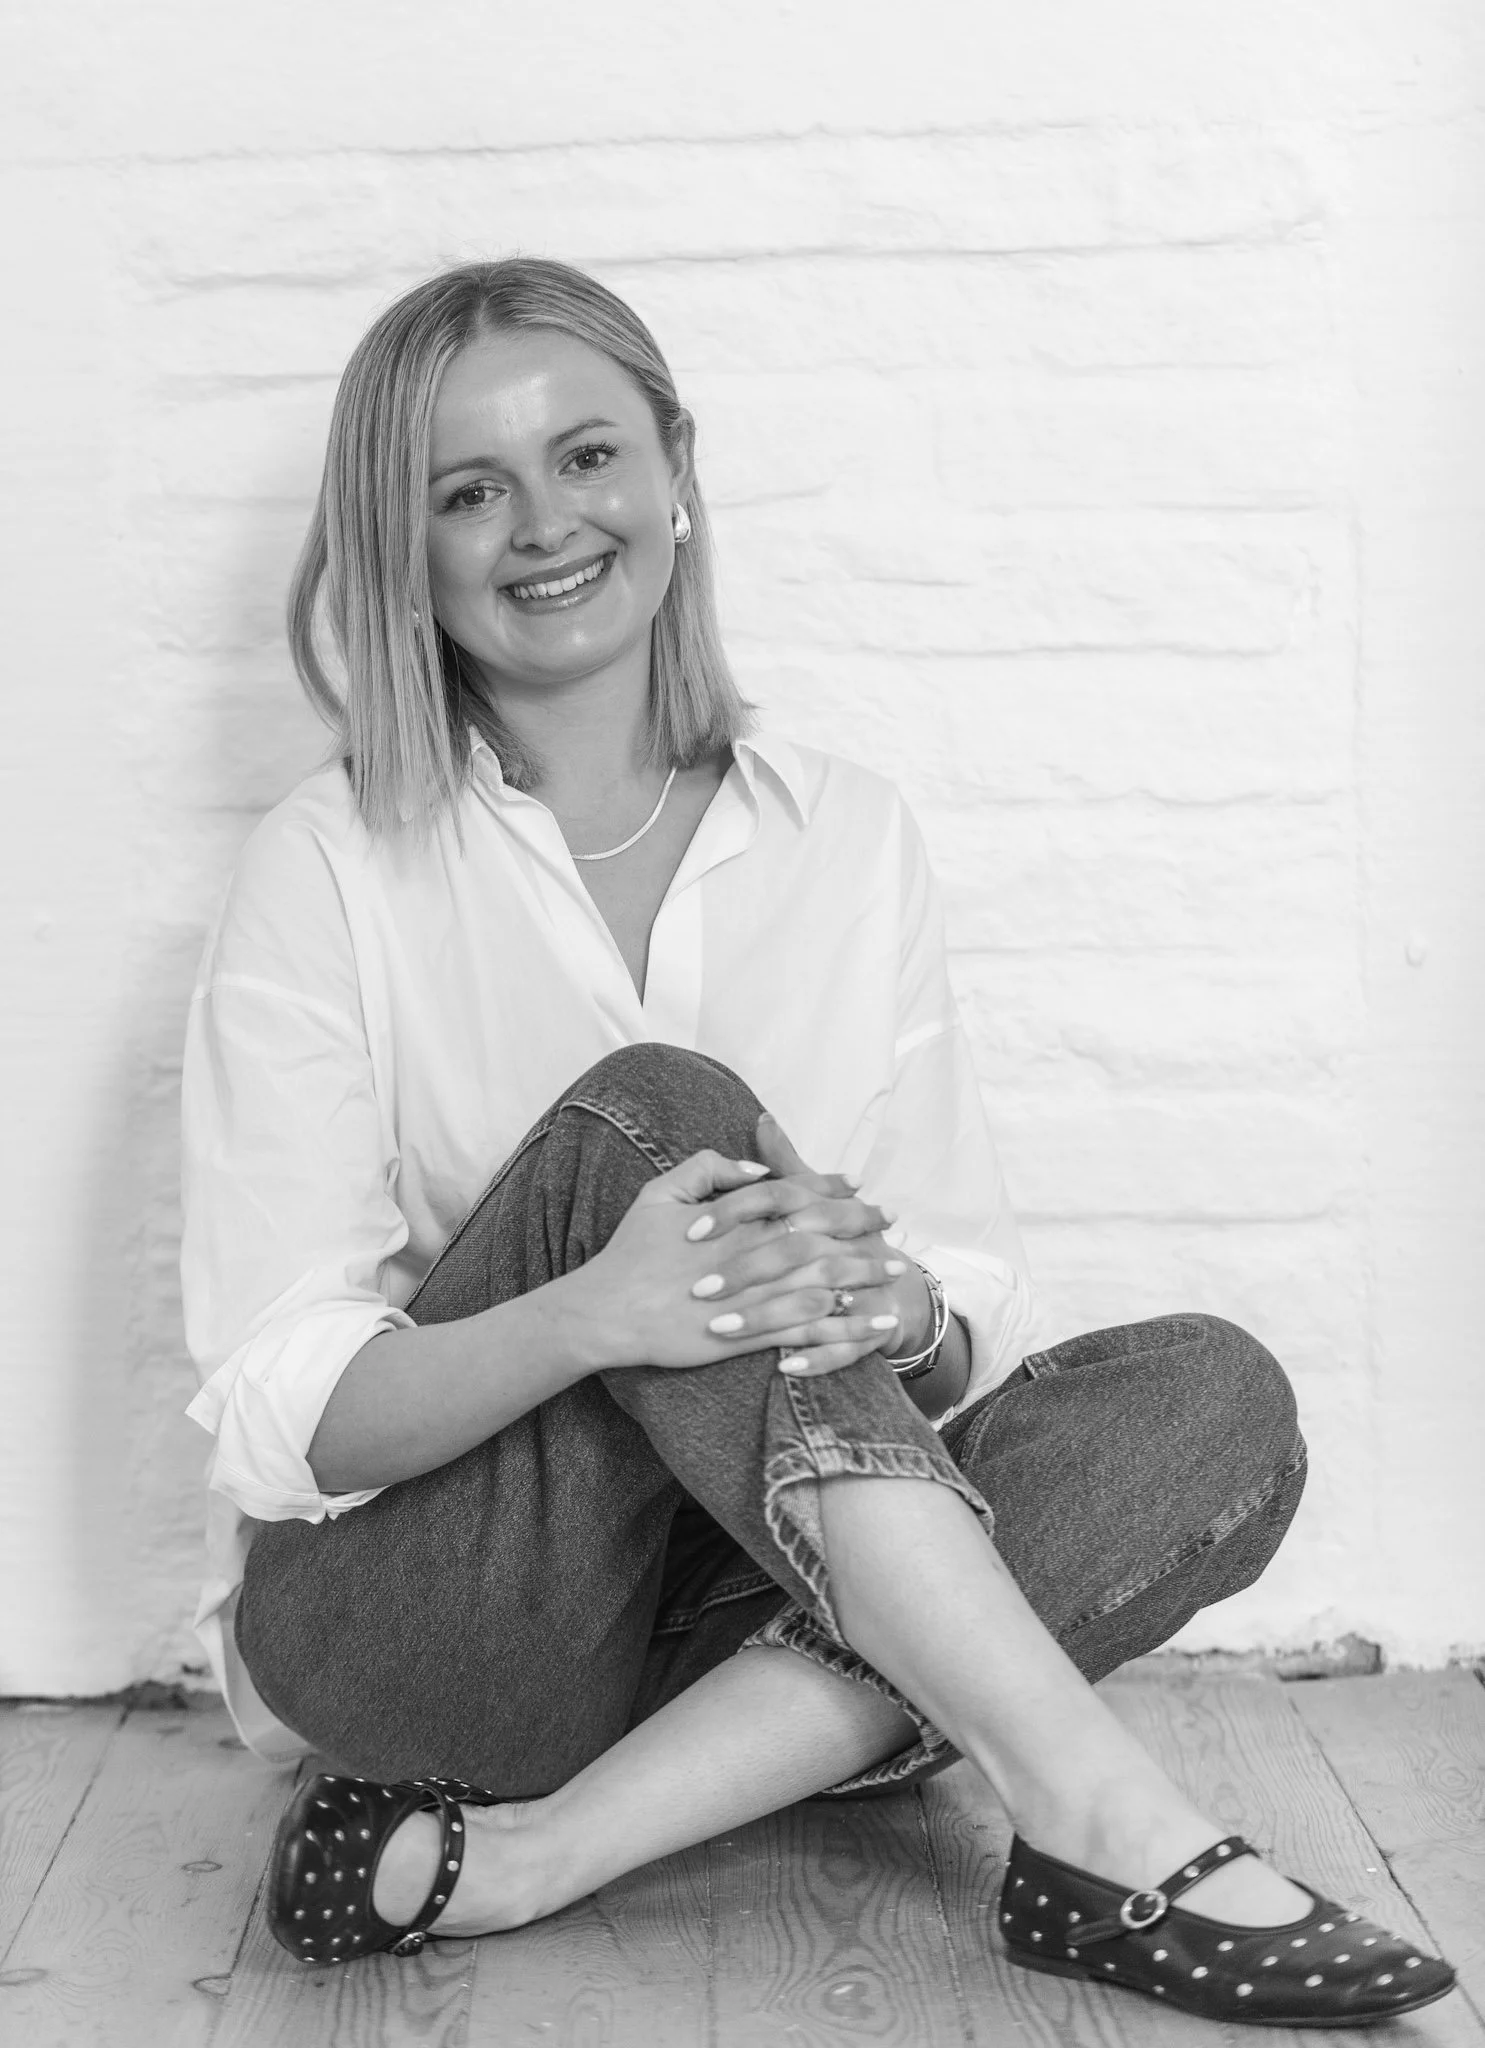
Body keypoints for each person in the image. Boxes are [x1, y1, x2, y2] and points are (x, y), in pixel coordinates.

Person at [179, 258, 1454, 2028]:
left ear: (676, 473)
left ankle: (539, 1855)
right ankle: (1103, 1825)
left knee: (1209, 1405)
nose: (543, 525)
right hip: (440, 1635)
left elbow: (975, 1305)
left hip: (750, 1595)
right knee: (664, 1118)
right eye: (468, 491)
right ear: (406, 551)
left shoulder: (846, 836)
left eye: (587, 457)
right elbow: (281, 1414)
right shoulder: (327, 865)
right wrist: (595, 1312)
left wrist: (897, 1311)